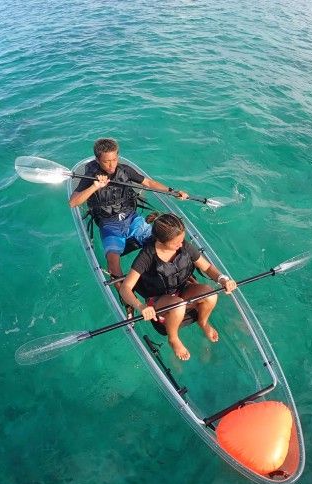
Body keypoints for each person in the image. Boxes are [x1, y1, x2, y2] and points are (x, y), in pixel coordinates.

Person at [69, 138, 189, 288]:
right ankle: (126, 300)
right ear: (97, 160)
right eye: (106, 161)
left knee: (165, 239)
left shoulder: (125, 170)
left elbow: (149, 183)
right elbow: (73, 202)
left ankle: (181, 276)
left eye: (114, 159)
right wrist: (95, 186)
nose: (112, 165)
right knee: (112, 261)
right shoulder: (90, 177)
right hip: (109, 224)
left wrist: (172, 191)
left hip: (132, 218)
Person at [119, 213, 237, 361]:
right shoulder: (147, 256)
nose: (181, 245)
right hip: (159, 300)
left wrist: (223, 279)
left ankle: (203, 322)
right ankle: (173, 338)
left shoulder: (184, 246)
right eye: (176, 242)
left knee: (211, 294)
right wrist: (140, 306)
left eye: (182, 240)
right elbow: (125, 288)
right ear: (161, 241)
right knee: (178, 306)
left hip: (181, 289)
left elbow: (207, 268)